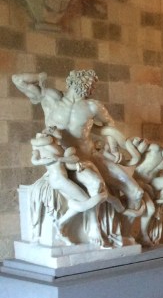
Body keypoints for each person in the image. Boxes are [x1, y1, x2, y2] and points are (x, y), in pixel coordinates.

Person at [13, 70, 145, 242]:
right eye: (83, 81)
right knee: (95, 184)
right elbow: (18, 80)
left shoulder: (93, 106)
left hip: (92, 155)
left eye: (91, 84)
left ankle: (125, 236)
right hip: (71, 160)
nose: (87, 85)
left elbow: (109, 125)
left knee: (136, 192)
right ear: (71, 81)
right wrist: (40, 77)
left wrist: (113, 149)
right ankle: (94, 227)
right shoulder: (50, 97)